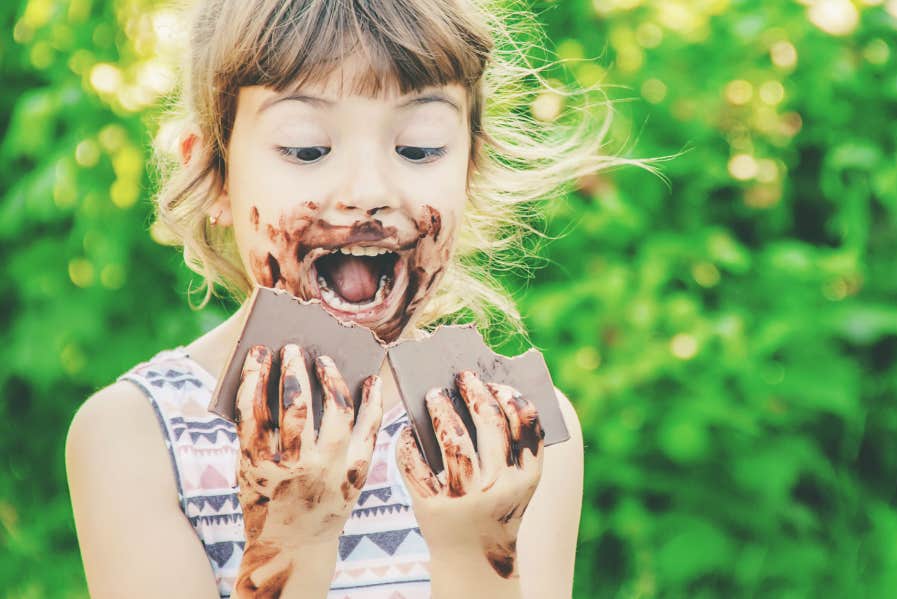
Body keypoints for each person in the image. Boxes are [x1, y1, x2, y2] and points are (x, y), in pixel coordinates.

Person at [64, 1, 658, 597]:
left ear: (470, 171)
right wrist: (291, 544)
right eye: (305, 149)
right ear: (215, 176)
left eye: (420, 148)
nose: (368, 192)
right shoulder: (135, 438)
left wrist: (477, 551)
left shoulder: (514, 433)